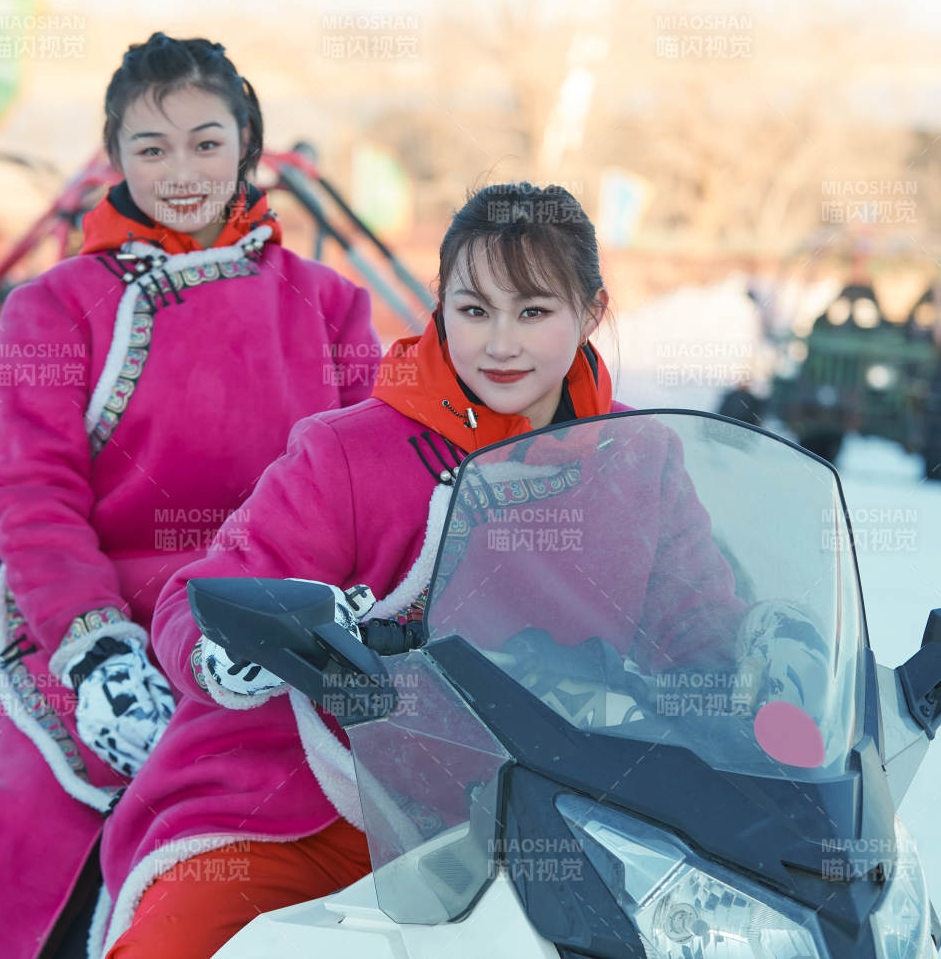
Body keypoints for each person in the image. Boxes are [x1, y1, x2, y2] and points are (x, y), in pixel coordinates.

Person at [0, 33, 380, 959]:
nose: (182, 172)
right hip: (91, 615)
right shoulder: (50, 309)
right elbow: (31, 492)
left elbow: (373, 478)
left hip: (271, 617)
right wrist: (96, 653)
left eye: (207, 143)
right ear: (117, 158)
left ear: (247, 146)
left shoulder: (329, 303)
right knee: (33, 808)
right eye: (152, 148)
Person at [95, 182, 624, 956]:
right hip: (312, 807)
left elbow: (699, 615)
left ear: (592, 311)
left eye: (534, 311)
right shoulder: (350, 451)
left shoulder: (638, 456)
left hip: (550, 815)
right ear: (441, 306)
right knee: (178, 941)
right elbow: (199, 596)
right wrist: (230, 651)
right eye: (475, 310)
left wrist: (779, 652)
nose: (501, 343)